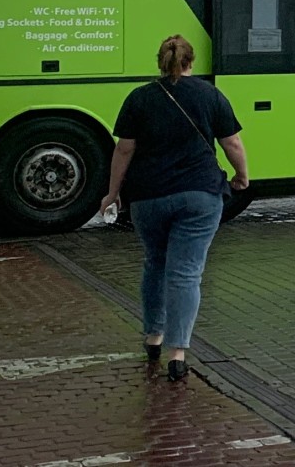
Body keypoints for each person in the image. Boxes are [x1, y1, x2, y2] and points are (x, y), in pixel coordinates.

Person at [99, 35, 249, 382]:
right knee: (186, 272)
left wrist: (112, 194)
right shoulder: (210, 94)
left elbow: (124, 150)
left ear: (160, 62)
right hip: (199, 195)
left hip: (148, 198)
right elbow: (232, 143)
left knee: (155, 262)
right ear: (190, 62)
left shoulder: (139, 98)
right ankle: (178, 353)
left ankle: (154, 336)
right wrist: (242, 177)